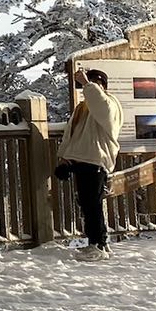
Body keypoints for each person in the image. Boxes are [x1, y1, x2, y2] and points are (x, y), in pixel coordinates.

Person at [56, 68, 124, 257]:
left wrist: (87, 83)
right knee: (87, 204)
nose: (91, 86)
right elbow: (72, 134)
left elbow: (101, 106)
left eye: (96, 83)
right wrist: (65, 158)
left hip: (96, 160)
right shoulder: (83, 108)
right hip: (83, 160)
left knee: (92, 204)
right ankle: (98, 242)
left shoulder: (110, 104)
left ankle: (98, 244)